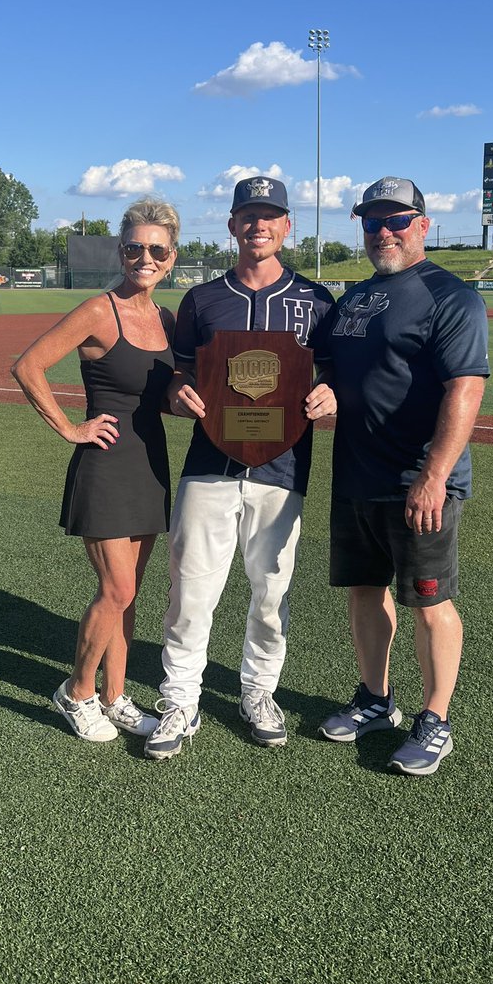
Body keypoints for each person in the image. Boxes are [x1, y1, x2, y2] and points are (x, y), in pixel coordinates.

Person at [144, 175, 337, 760]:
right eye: (247, 215)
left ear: (286, 225)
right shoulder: (202, 300)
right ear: (231, 225)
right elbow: (179, 375)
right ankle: (180, 699)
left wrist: (332, 393)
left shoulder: (317, 301)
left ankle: (259, 692)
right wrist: (177, 394)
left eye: (270, 215)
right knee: (191, 590)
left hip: (284, 469)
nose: (258, 224)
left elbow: (330, 375)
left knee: (271, 593)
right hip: (209, 465)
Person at [318, 177, 489, 775]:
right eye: (371, 222)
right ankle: (374, 699)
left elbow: (465, 387)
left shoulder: (451, 296)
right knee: (365, 591)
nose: (383, 232)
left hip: (419, 481)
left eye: (396, 220)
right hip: (357, 476)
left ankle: (436, 719)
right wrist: (323, 391)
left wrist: (435, 474)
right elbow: (329, 369)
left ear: (422, 224)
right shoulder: (356, 298)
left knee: (428, 601)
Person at [11, 199, 179, 742]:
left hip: (150, 465)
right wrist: (70, 428)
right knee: (116, 590)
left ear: (171, 257)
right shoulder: (97, 312)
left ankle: (115, 695)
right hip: (105, 465)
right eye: (134, 247)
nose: (144, 257)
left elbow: (166, 395)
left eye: (156, 249)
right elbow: (28, 365)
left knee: (129, 595)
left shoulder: (167, 319)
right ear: (121, 251)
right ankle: (76, 692)